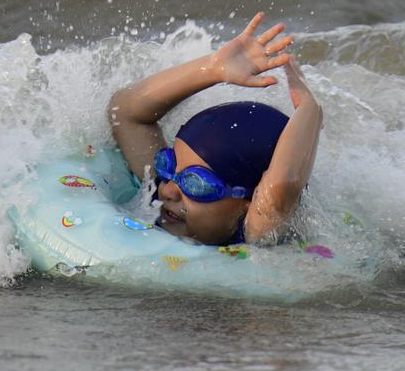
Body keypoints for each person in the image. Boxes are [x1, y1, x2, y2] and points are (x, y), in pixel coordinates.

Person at [108, 12, 322, 245]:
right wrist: (212, 69)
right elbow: (125, 113)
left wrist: (310, 111)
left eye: (195, 183)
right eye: (168, 164)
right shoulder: (162, 194)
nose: (169, 191)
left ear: (247, 204)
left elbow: (281, 189)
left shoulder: (255, 235)